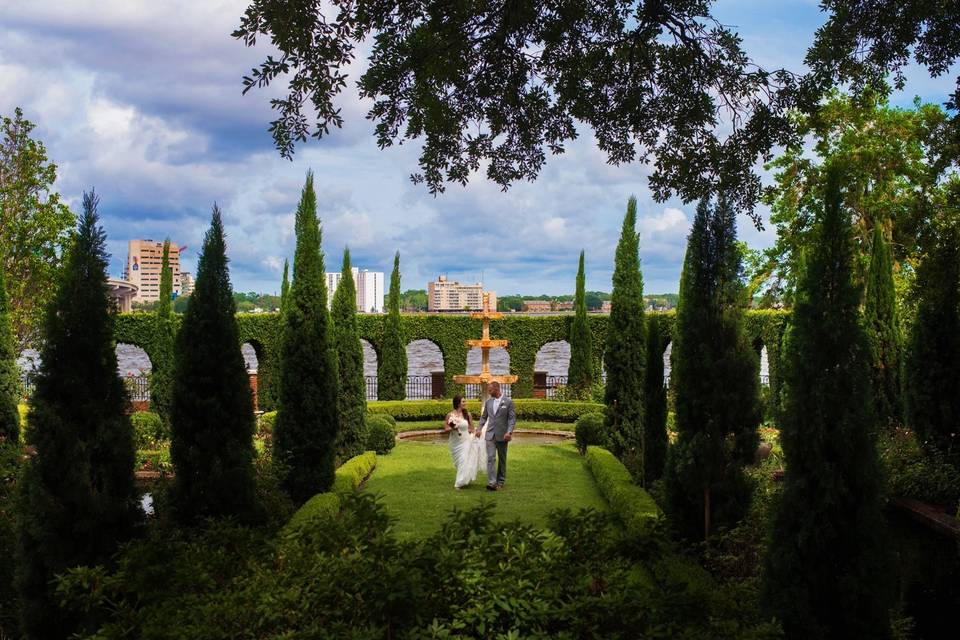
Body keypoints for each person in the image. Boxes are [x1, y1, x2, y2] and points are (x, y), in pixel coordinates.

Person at [479, 381, 516, 491]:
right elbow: (484, 417)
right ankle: (492, 483)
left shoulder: (508, 402)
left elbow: (512, 419)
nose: (489, 392)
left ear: (496, 389)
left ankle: (501, 481)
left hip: (503, 435)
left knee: (502, 459)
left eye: (490, 390)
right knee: (490, 458)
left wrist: (509, 432)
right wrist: (479, 428)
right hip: (490, 435)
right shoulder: (488, 402)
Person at [444, 395, 486, 489]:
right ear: (458, 403)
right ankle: (465, 478)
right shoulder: (450, 415)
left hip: (466, 441)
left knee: (464, 460)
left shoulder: (468, 415)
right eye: (463, 402)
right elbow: (446, 428)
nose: (465, 403)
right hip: (455, 442)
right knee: (459, 462)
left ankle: (458, 483)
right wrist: (453, 427)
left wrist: (476, 434)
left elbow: (471, 428)